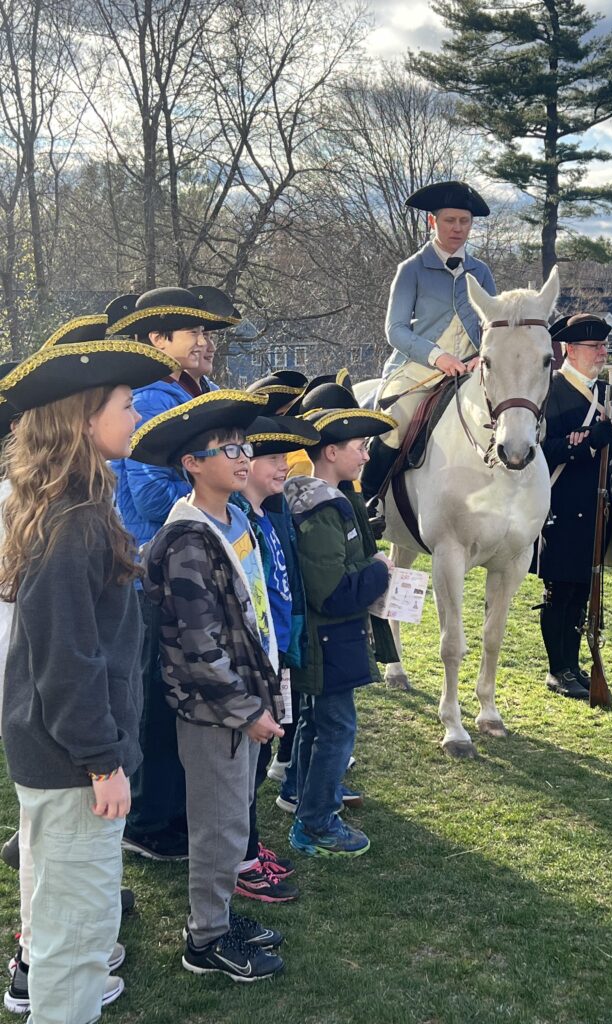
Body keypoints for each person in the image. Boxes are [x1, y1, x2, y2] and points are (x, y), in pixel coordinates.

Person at [0, 336, 178, 1023]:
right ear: (83, 418)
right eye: (126, 405)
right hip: (73, 764)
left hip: (60, 756)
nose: (136, 416)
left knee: (63, 920)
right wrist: (102, 761)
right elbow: (67, 657)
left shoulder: (77, 508)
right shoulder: (73, 523)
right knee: (78, 939)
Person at [134, 390, 286, 982]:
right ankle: (205, 940)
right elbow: (198, 647)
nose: (243, 458)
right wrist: (246, 709)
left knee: (234, 820)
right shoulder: (186, 541)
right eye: (229, 450)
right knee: (218, 826)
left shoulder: (236, 520)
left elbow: (253, 612)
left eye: (245, 447)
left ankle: (218, 916)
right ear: (193, 464)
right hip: (216, 711)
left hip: (246, 697)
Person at [107, 286, 240, 860]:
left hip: (201, 568)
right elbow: (147, 497)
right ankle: (147, 818)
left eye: (209, 333)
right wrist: (219, 495)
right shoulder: (149, 400)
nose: (206, 342)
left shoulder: (202, 393)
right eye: (194, 332)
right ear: (157, 339)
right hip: (153, 573)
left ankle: (179, 806)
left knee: (190, 691)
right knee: (159, 698)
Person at [282, 393, 397, 857]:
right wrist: (378, 571)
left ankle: (300, 794)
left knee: (315, 722)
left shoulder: (322, 499)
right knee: (337, 729)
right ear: (331, 452)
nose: (366, 456)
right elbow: (330, 591)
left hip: (327, 639)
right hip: (329, 638)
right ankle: (316, 822)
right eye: (359, 447)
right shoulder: (322, 509)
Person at [361, 180, 496, 520]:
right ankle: (368, 502)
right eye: (450, 220)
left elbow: (493, 324)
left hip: (470, 371)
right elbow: (394, 330)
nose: (458, 228)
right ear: (432, 221)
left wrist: (483, 354)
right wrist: (438, 356)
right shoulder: (411, 269)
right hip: (418, 369)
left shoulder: (481, 272)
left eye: (464, 221)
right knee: (394, 422)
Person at [229, 413, 321, 902]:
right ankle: (240, 859)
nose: (284, 466)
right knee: (246, 762)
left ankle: (248, 845)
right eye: (273, 457)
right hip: (256, 661)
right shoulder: (239, 520)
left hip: (277, 653)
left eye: (285, 457)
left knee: (261, 757)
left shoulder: (267, 514)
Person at [538, 314, 612, 700]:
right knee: (559, 591)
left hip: (599, 509)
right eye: (594, 347)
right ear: (570, 350)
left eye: (603, 346)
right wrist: (585, 442)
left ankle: (573, 663)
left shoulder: (607, 393)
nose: (602, 353)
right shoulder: (551, 391)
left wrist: (606, 434)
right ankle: (557, 670)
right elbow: (543, 449)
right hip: (562, 509)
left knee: (583, 592)